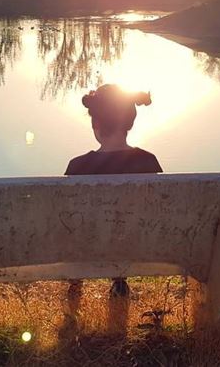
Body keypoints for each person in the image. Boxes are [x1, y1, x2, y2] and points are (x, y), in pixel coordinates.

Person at [64, 84, 162, 302]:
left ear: (95, 123)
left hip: (88, 247)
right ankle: (119, 281)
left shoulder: (77, 167)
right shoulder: (148, 161)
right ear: (129, 122)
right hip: (136, 246)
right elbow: (151, 210)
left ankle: (75, 284)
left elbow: (70, 217)